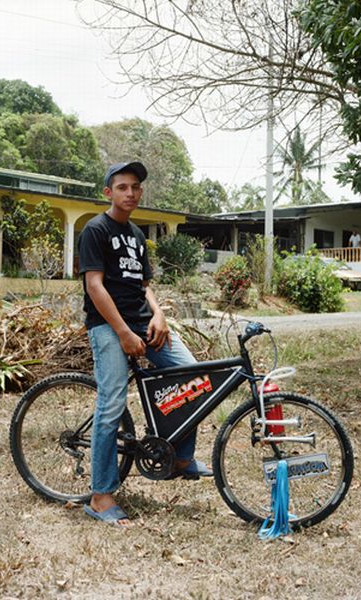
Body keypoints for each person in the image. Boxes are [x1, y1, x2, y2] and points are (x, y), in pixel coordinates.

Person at [78, 161, 212, 527]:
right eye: (123, 187)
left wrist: (159, 314)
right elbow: (94, 286)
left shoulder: (137, 235)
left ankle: (180, 459)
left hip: (144, 324)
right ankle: (101, 495)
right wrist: (122, 332)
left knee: (195, 376)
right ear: (108, 192)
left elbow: (144, 285)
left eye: (136, 187)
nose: (131, 193)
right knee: (111, 405)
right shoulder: (95, 230)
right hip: (108, 327)